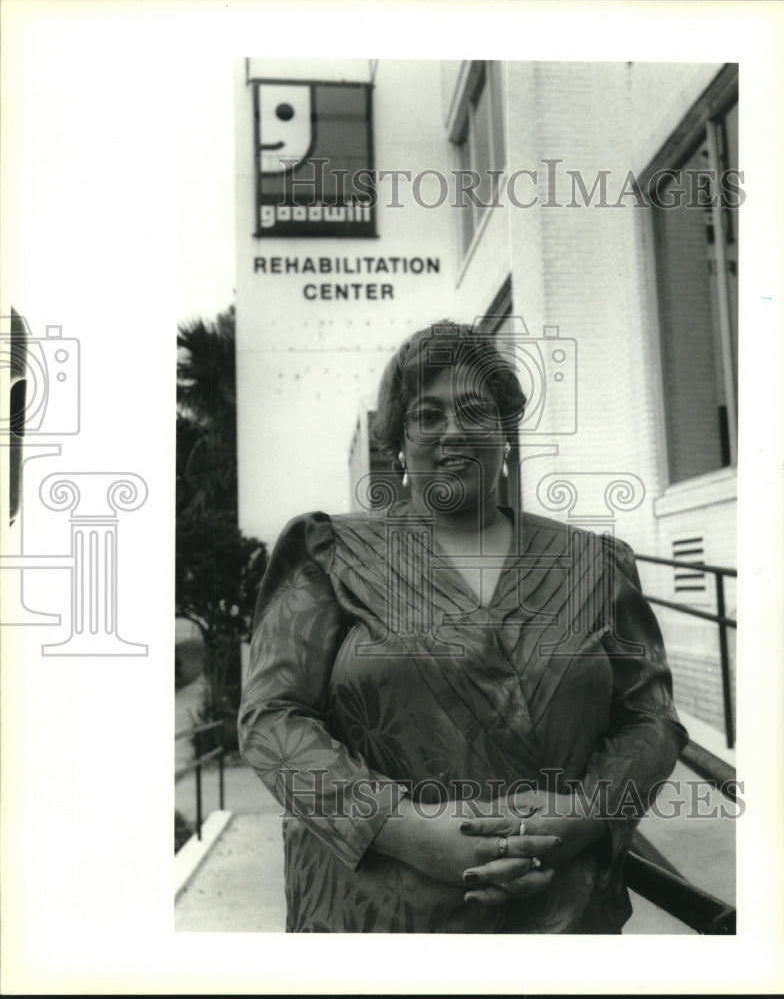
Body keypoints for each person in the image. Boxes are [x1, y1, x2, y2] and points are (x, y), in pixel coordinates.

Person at [238, 320, 688, 933]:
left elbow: (651, 716)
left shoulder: (595, 564)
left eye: (477, 410)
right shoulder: (331, 553)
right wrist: (405, 830)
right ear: (398, 442)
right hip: (377, 918)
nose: (454, 430)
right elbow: (271, 718)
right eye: (428, 414)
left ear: (506, 433)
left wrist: (585, 815)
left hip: (560, 914)